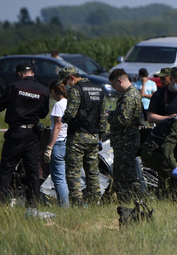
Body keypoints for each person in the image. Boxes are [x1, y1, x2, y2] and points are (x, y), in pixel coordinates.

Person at [0, 62, 49, 205]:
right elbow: (43, 113)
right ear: (33, 74)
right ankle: (33, 203)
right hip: (32, 135)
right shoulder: (43, 90)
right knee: (32, 170)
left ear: (19, 74)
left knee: (6, 169)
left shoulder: (14, 86)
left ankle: (1, 202)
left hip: (15, 133)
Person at [60, 65, 106, 205]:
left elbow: (71, 113)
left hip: (78, 137)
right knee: (93, 172)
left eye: (65, 82)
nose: (65, 86)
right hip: (93, 137)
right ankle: (95, 201)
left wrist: (64, 118)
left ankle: (77, 202)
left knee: (73, 171)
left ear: (71, 78)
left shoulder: (76, 90)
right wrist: (101, 135)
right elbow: (103, 116)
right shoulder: (98, 89)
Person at [107, 69, 144, 202]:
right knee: (128, 173)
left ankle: (126, 200)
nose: (114, 88)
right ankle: (131, 199)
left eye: (113, 85)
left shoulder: (128, 97)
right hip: (128, 140)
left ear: (120, 81)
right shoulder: (134, 93)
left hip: (125, 142)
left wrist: (108, 118)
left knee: (123, 175)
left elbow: (123, 120)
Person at [44, 79, 69, 207]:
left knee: (58, 178)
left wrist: (50, 146)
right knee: (67, 177)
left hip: (59, 143)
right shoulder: (71, 103)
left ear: (53, 91)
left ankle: (64, 206)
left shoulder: (58, 105)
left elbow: (57, 127)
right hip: (69, 142)